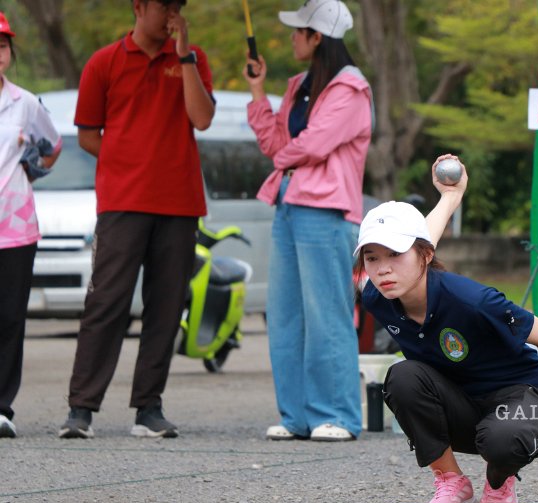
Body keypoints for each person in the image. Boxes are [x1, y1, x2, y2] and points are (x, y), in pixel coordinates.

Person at [353, 155, 538, 503]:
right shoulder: (378, 296)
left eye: (395, 254)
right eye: (371, 258)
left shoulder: (473, 301)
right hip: (461, 403)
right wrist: (450, 197)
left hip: (521, 397)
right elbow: (418, 243)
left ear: (424, 256)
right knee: (402, 377)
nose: (383, 269)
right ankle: (453, 484)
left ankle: (499, 484)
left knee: (502, 439)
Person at [59, 0, 215, 439]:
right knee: (106, 302)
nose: (173, 14)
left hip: (180, 203)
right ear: (139, 6)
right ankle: (81, 409)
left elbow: (202, 119)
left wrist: (185, 56)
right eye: (164, 5)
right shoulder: (103, 62)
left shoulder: (193, 58)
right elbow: (87, 135)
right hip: (122, 203)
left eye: (178, 6)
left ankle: (148, 408)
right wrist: (129, 162)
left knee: (166, 307)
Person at [243, 0, 372, 442]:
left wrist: (286, 155)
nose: (292, 37)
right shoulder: (298, 85)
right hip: (288, 205)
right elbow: (275, 143)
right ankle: (297, 416)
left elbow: (314, 144)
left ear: (318, 37)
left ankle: (337, 415)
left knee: (327, 314)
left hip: (327, 211)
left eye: (299, 31)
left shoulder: (351, 88)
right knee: (285, 314)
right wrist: (258, 91)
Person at [0, 11, 62, 438]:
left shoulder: (25, 103)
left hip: (16, 227)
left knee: (9, 318)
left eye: (2, 46)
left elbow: (53, 145)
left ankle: (2, 407)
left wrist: (31, 170)